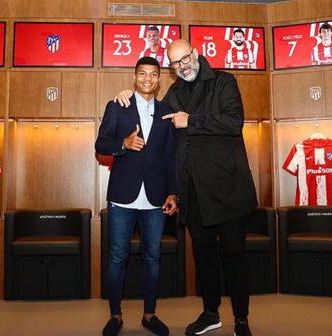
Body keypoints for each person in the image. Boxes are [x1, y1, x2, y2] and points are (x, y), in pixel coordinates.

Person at [115, 39, 258, 336]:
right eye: (176, 64)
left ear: (196, 54)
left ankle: (241, 319)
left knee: (234, 255)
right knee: (203, 256)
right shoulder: (174, 93)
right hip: (193, 192)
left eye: (186, 59)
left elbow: (233, 122)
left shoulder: (223, 81)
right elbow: (154, 118)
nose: (183, 66)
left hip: (229, 188)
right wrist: (129, 95)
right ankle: (210, 314)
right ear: (171, 68)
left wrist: (191, 120)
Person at [95, 56, 178, 336]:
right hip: (122, 197)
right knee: (117, 258)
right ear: (135, 76)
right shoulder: (118, 106)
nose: (147, 79)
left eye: (153, 75)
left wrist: (173, 193)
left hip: (155, 200)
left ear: (159, 79)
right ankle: (115, 315)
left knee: (153, 258)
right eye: (142, 74)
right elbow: (101, 143)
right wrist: (124, 143)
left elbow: (170, 158)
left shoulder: (167, 112)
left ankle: (149, 314)